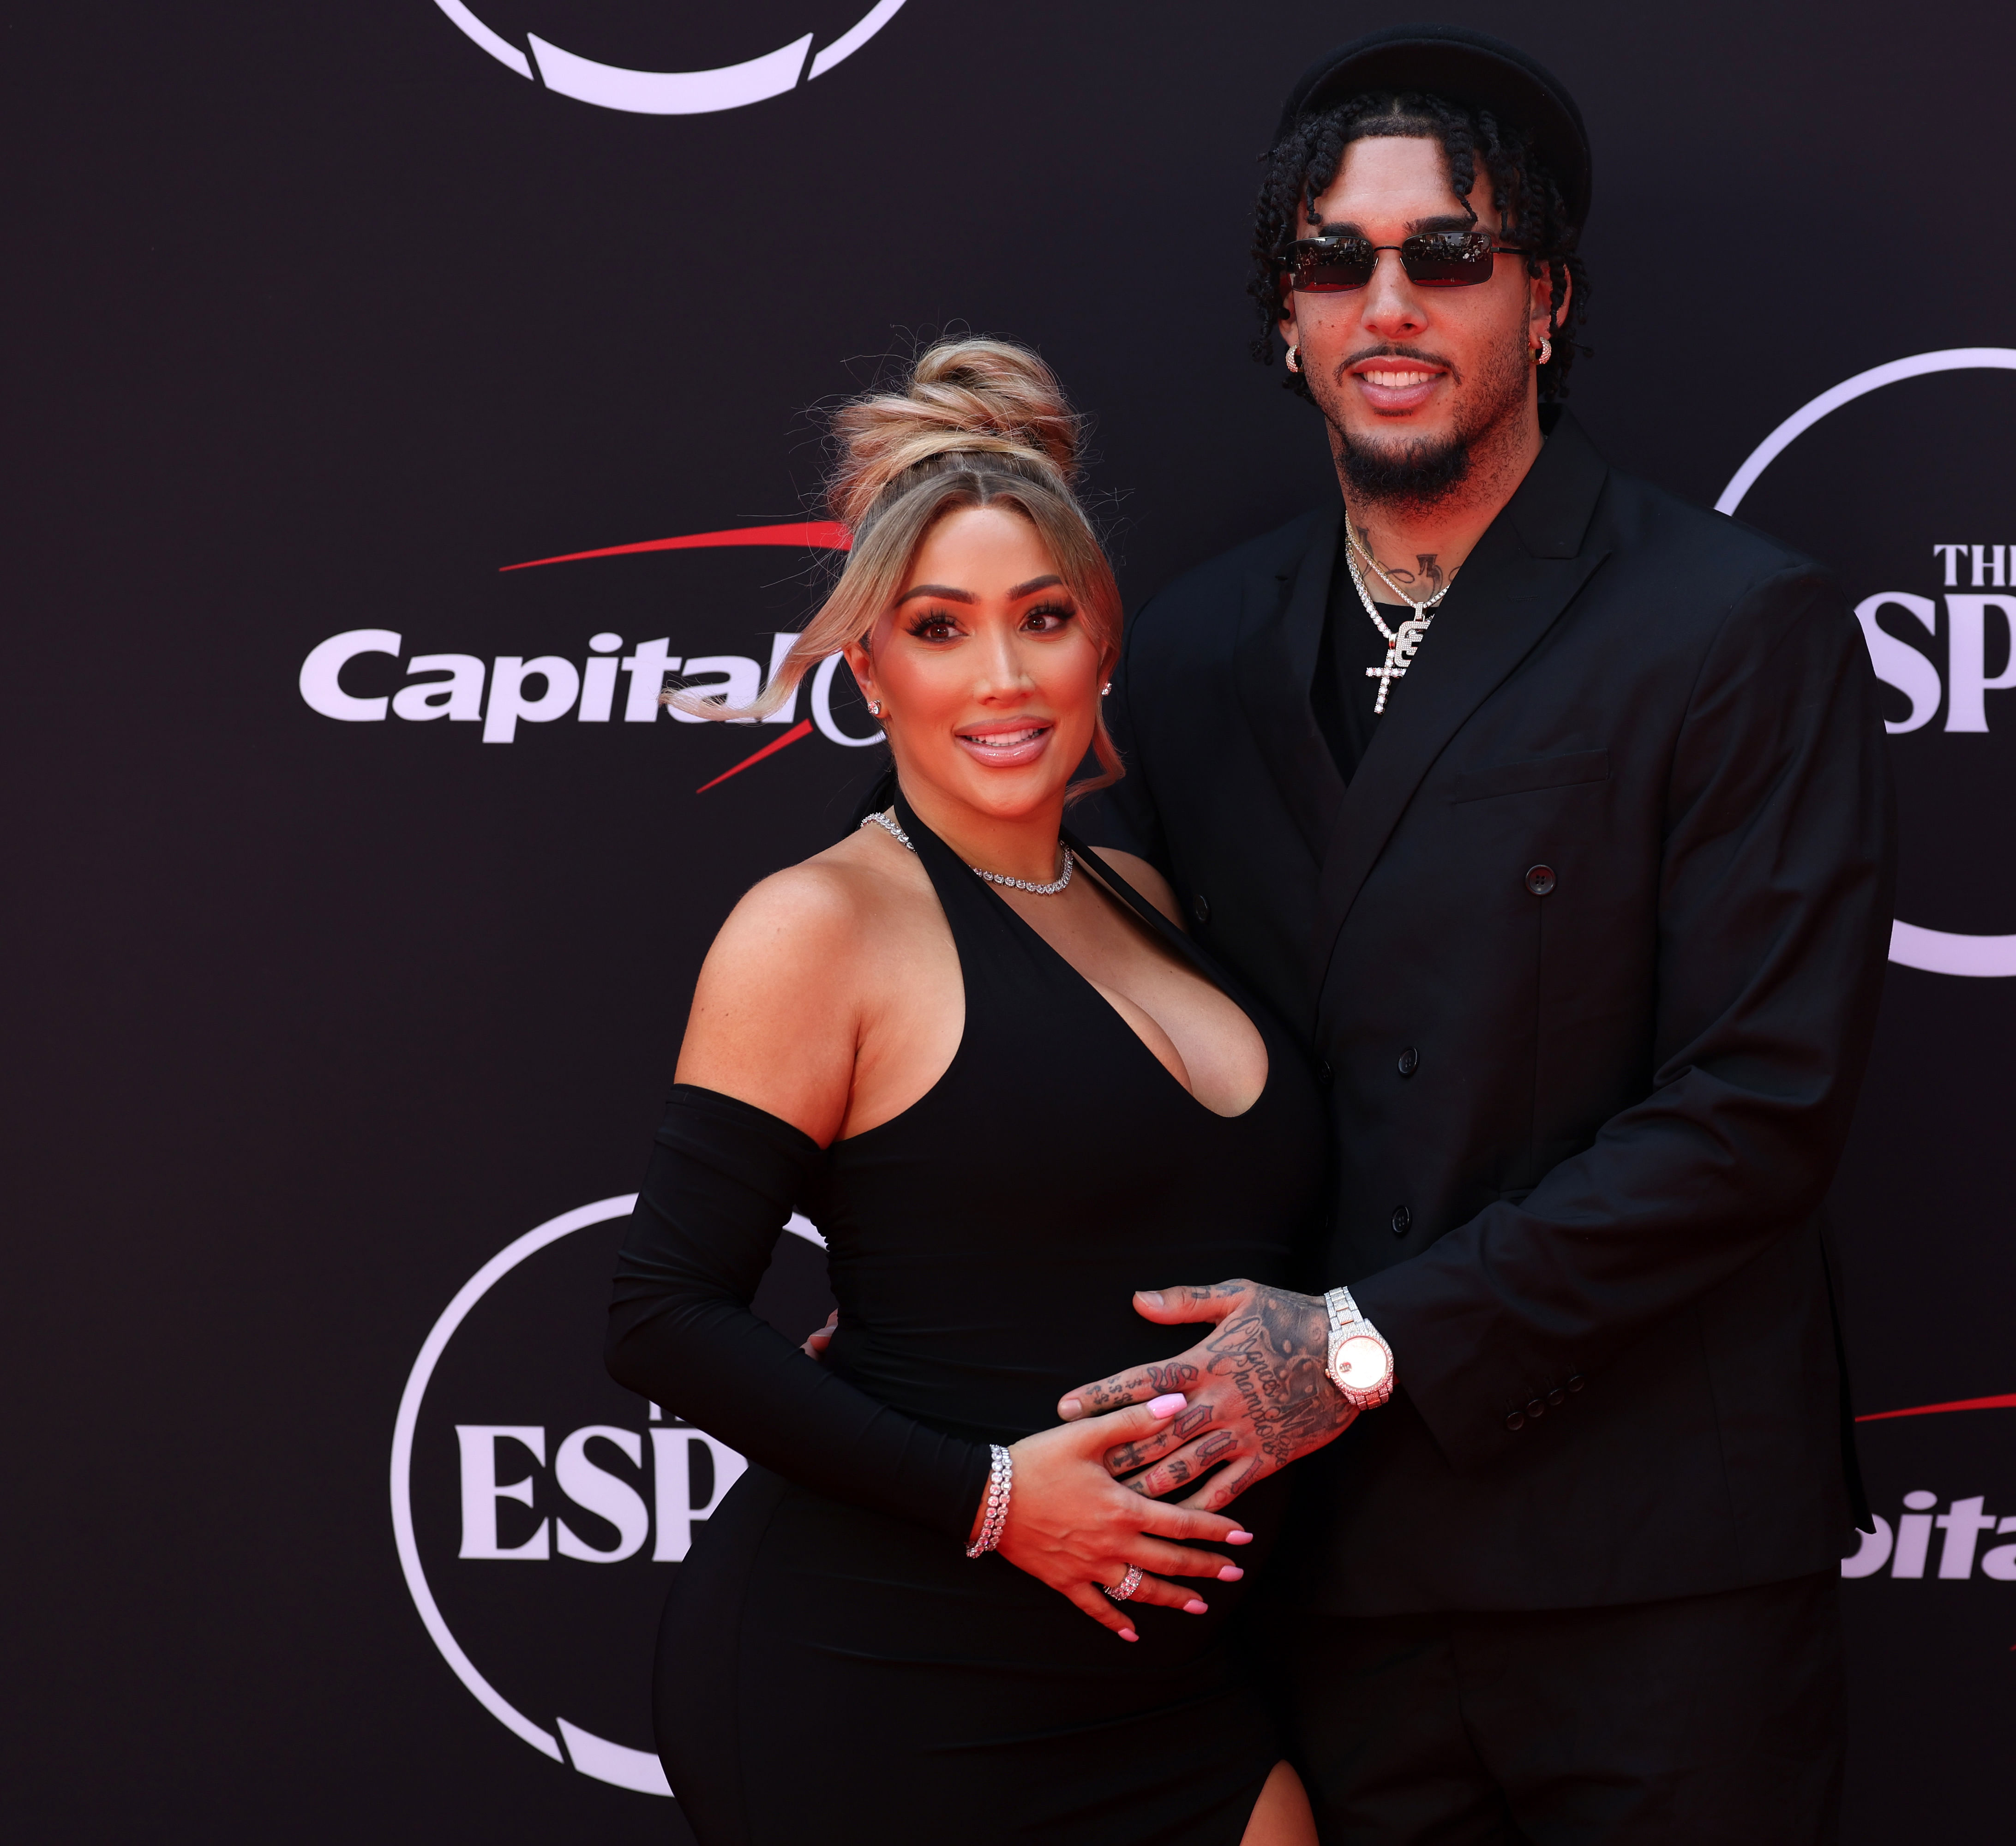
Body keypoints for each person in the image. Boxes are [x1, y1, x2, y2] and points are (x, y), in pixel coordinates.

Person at [1054, 27, 1896, 1844]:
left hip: (1656, 1572)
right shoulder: (1192, 653)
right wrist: (924, 1302)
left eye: (1450, 253)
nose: (1390, 302)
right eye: (1333, 260)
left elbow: (1758, 1106)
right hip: (1321, 1577)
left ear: (1550, 300)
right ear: (1285, 317)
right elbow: (1114, 1051)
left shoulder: (1736, 627)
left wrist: (1354, 1350)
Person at [603, 338, 1322, 1845]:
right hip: (893, 1675)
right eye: (941, 628)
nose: (1002, 678)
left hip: (1167, 1679)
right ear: (870, 667)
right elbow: (661, 1314)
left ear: (1099, 644)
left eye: (1043, 620)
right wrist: (993, 1493)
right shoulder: (819, 927)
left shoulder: (1142, 893)